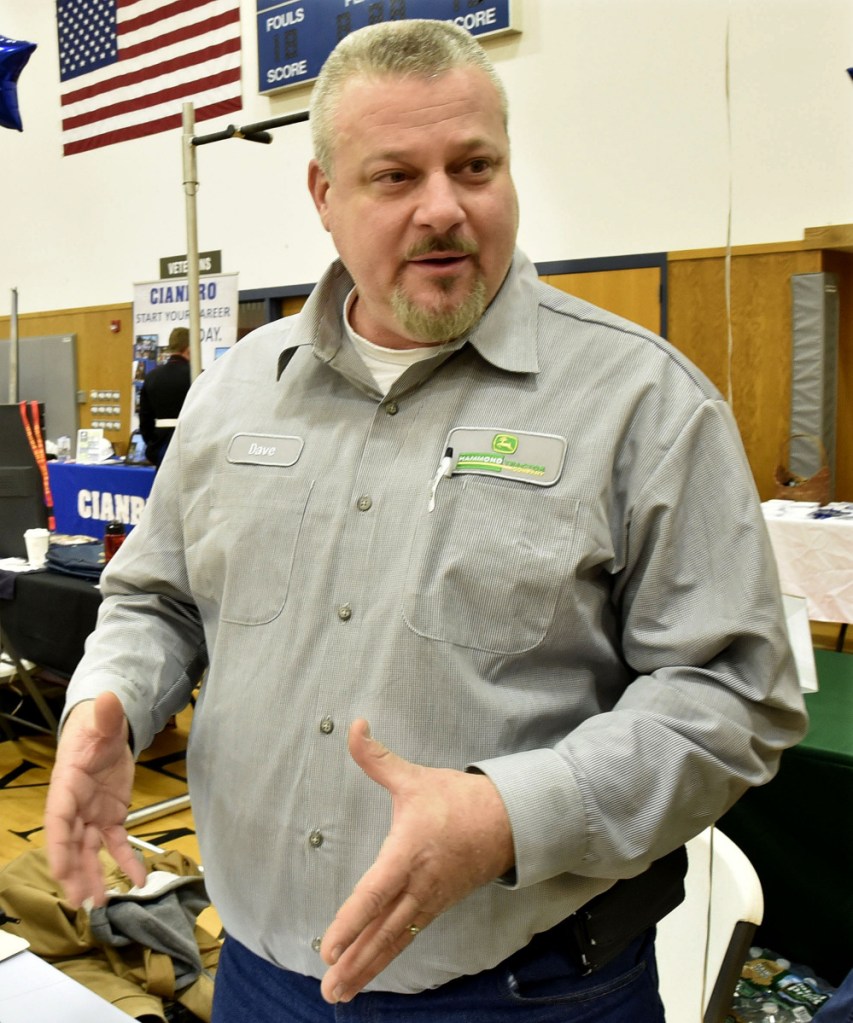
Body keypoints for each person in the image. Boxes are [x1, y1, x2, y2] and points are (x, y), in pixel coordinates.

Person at [45, 19, 807, 1023]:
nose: (443, 207)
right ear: (324, 195)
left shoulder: (644, 405)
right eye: (395, 176)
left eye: (473, 166)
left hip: (531, 994)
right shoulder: (236, 393)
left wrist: (509, 814)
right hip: (262, 978)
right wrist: (108, 701)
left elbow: (733, 694)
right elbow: (158, 600)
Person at [137, 326, 192, 465]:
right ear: (189, 349)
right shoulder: (198, 376)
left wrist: (152, 444)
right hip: (191, 447)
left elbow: (144, 419)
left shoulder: (152, 377)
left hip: (160, 447)